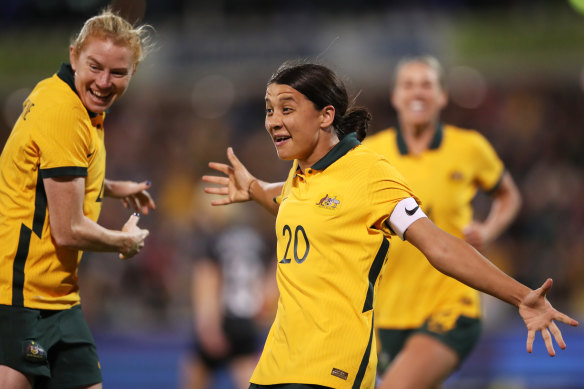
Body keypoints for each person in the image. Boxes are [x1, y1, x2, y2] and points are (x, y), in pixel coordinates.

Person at [202, 61, 578, 389]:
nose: (273, 121)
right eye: (269, 110)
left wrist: (520, 296)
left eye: (287, 108)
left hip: (330, 367)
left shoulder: (369, 173)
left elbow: (439, 245)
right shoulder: (303, 176)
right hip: (274, 364)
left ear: (325, 115)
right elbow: (291, 201)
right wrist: (252, 188)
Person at [0, 8, 155, 389]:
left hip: (60, 298)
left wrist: (115, 187)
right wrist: (124, 241)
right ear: (74, 56)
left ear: (132, 73)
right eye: (95, 66)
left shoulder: (69, 97)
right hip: (17, 296)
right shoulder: (64, 113)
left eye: (118, 73)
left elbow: (48, 177)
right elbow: (67, 230)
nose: (104, 82)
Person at [362, 55, 522, 389]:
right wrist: (259, 190)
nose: (417, 92)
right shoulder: (370, 155)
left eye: (426, 84)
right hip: (386, 312)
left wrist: (488, 230)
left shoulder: (469, 147)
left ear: (442, 96)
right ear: (395, 96)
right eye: (408, 85)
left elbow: (508, 195)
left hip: (451, 304)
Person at [181, 204, 276, 389]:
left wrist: (208, 323)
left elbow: (207, 278)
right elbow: (274, 275)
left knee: (196, 374)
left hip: (222, 317)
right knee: (247, 379)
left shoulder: (213, 239)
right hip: (247, 321)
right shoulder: (258, 239)